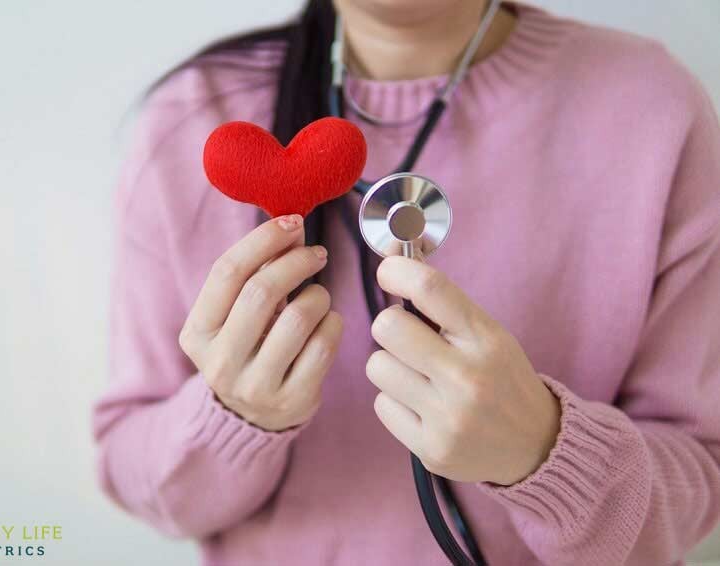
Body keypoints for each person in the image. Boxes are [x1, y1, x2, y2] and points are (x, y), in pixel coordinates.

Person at [91, 1, 720, 564]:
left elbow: (703, 478)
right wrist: (231, 416)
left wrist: (543, 452)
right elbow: (134, 473)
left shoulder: (650, 108)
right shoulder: (192, 117)